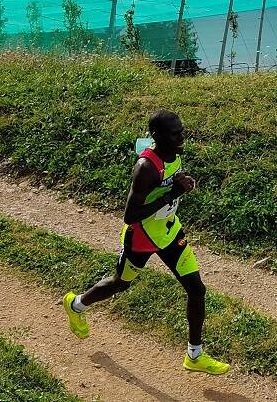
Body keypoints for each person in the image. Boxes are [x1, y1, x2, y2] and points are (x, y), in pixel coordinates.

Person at [63, 109, 229, 375]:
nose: (181, 136)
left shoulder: (174, 152)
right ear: (157, 136)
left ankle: (194, 355)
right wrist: (171, 194)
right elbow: (130, 215)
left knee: (197, 289)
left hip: (169, 232)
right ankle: (76, 304)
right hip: (141, 237)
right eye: (175, 133)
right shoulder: (145, 168)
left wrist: (181, 182)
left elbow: (169, 179)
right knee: (120, 284)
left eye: (181, 130)